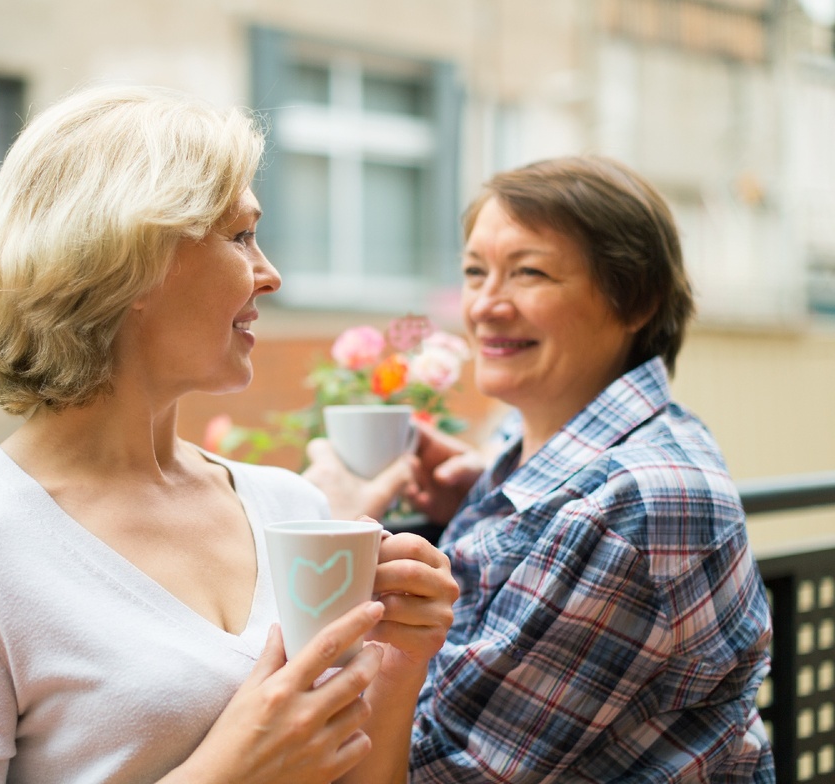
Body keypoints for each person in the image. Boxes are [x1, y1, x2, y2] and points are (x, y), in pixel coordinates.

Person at [0, 84, 459, 784]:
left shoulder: (292, 508)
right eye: (240, 236)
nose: (270, 275)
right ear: (130, 260)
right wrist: (228, 772)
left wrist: (400, 663)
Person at [304, 156, 775, 780]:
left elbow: (433, 772)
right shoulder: (570, 440)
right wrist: (482, 497)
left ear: (635, 300)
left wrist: (334, 529)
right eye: (476, 272)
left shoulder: (630, 504)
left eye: (529, 272)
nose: (486, 306)